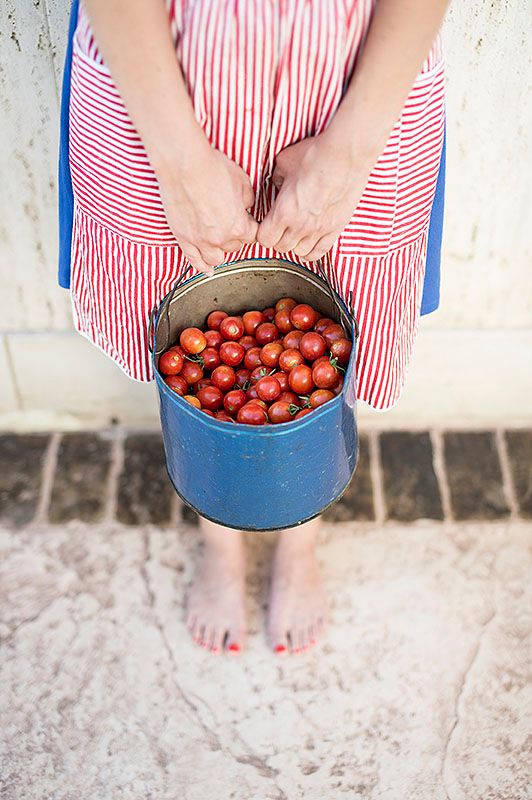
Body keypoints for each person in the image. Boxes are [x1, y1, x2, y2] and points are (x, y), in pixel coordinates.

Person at [58, 0, 448, 656]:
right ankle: (221, 536)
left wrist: (351, 153)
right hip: (164, 77)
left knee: (345, 310)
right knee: (174, 322)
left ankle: (300, 540)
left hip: (355, 78)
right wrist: (178, 165)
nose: (271, 370)